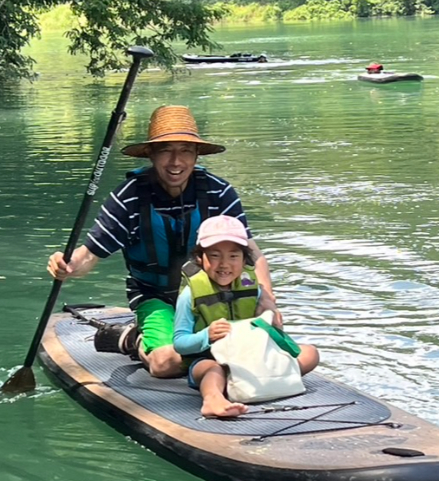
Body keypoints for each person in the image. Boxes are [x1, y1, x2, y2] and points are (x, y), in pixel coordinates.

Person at [47, 105, 280, 378]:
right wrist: (67, 265)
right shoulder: (129, 197)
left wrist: (268, 300)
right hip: (155, 295)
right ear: (151, 154)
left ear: (196, 155)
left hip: (213, 292)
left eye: (184, 151)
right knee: (166, 364)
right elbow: (89, 255)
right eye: (165, 150)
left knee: (272, 336)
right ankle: (133, 339)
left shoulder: (219, 192)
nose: (175, 162)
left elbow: (251, 252)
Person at [173, 215, 319, 418]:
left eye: (233, 256)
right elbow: (180, 343)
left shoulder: (253, 288)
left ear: (244, 259)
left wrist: (274, 326)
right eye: (215, 256)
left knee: (310, 353)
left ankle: (272, 378)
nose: (224, 264)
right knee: (212, 369)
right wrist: (207, 335)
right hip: (212, 360)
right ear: (200, 258)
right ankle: (213, 400)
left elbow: (268, 333)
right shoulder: (190, 294)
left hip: (250, 358)